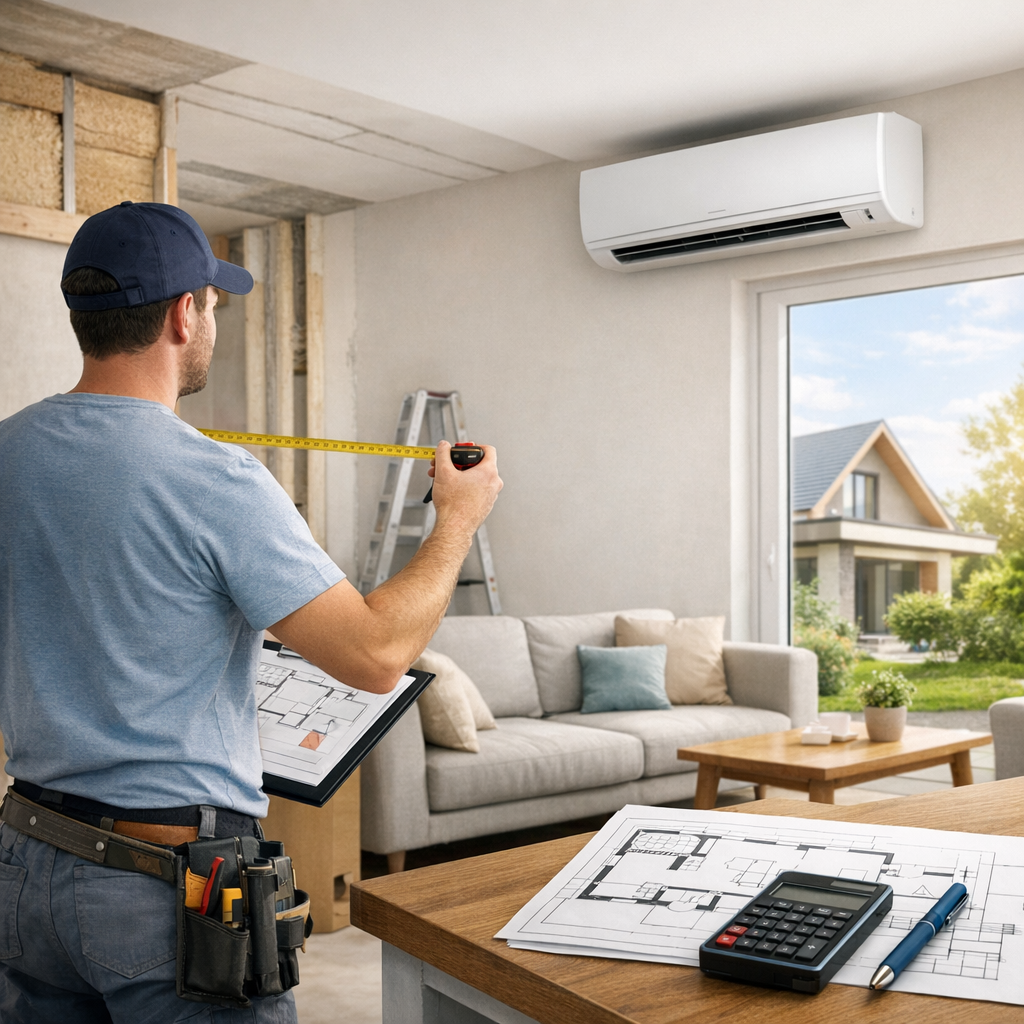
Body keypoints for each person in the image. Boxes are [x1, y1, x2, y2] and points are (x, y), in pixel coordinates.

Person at [0, 202, 502, 1023]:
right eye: (212, 304)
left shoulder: (7, 453)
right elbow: (375, 655)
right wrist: (457, 522)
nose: (211, 322)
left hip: (25, 862)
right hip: (164, 887)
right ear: (180, 313)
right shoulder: (212, 480)